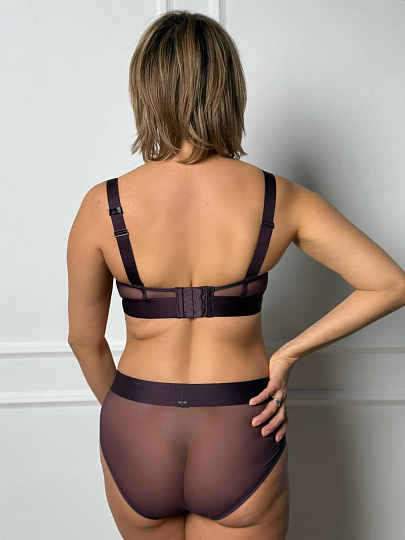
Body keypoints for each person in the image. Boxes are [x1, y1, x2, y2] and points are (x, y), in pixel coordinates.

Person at [66, 10, 405, 540]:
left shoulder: (100, 205)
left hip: (138, 425)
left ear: (147, 90)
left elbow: (84, 341)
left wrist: (132, 417)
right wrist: (286, 355)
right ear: (228, 89)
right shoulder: (278, 197)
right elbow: (391, 283)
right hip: (238, 425)